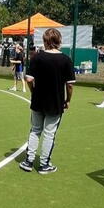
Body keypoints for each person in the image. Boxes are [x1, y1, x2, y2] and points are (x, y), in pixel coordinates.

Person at [19, 28, 75, 174]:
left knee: (35, 130)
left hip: (38, 100)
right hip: (55, 102)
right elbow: (70, 85)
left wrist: (33, 92)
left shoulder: (37, 57)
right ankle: (44, 165)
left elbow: (29, 79)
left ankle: (28, 161)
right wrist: (68, 100)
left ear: (45, 41)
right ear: (59, 41)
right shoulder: (66, 60)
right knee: (49, 133)